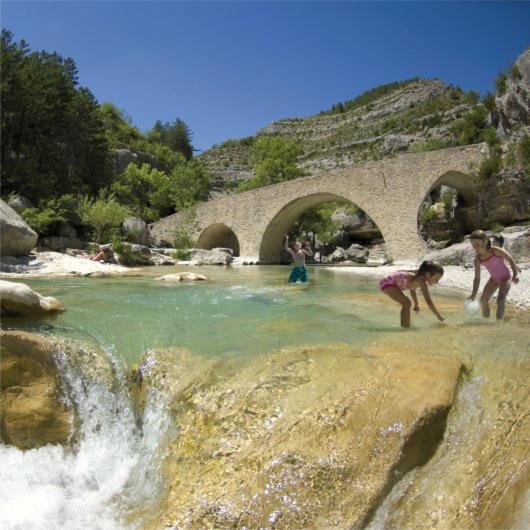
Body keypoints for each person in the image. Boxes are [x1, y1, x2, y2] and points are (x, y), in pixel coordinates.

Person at [467, 230, 520, 320]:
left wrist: (515, 274)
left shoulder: (495, 251)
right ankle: (486, 321)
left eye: (477, 244)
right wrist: (473, 293)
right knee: (483, 300)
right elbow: (477, 278)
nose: (475, 247)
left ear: (485, 241)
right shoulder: (477, 259)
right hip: (494, 279)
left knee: (500, 299)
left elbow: (510, 258)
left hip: (506, 278)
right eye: (473, 245)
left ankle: (498, 324)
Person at [379, 260, 445, 328]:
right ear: (428, 274)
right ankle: (405, 328)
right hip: (388, 283)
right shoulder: (421, 282)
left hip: (386, 282)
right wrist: (439, 316)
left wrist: (416, 304)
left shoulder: (417, 277)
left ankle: (405, 327)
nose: (437, 282)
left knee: (407, 303)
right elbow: (428, 301)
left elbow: (412, 289)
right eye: (436, 278)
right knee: (406, 303)